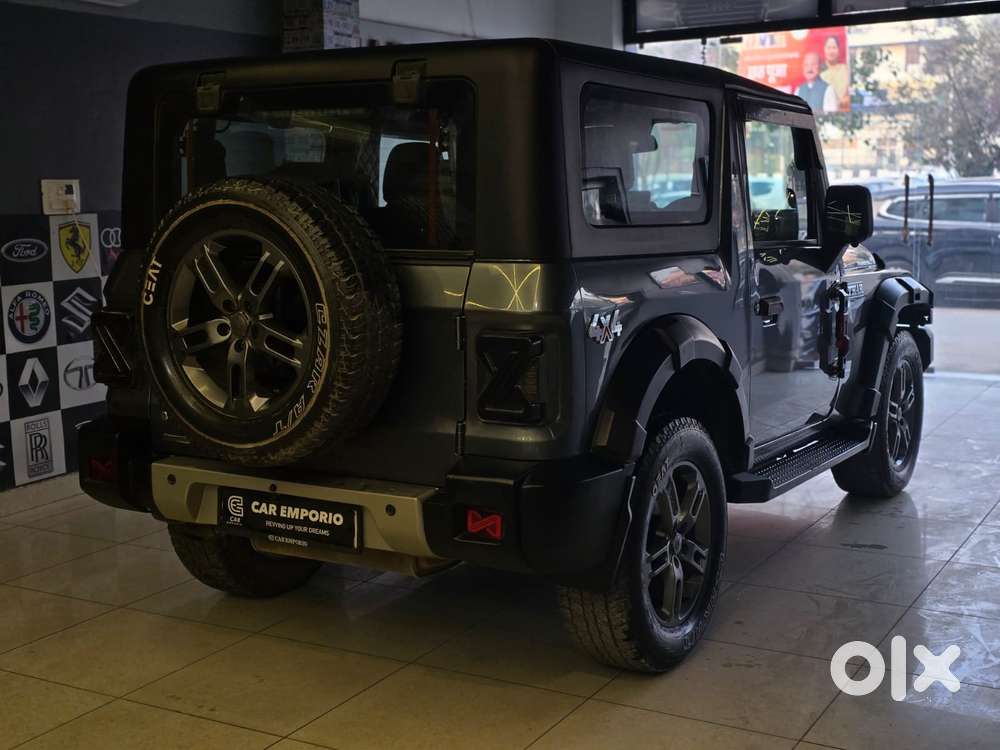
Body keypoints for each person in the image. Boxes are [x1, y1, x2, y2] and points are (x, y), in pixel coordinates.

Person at [820, 35, 850, 111]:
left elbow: (849, 95)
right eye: (829, 48)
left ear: (838, 49)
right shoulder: (819, 73)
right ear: (824, 49)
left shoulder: (845, 69)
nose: (831, 51)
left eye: (834, 47)